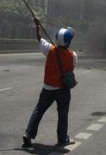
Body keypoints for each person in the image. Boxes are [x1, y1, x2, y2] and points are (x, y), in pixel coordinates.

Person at [23, 18, 77, 147]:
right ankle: (62, 139)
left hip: (47, 88)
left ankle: (28, 134)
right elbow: (70, 66)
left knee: (38, 111)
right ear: (69, 41)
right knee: (63, 116)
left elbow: (39, 38)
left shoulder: (49, 50)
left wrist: (37, 26)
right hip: (63, 90)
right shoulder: (73, 56)